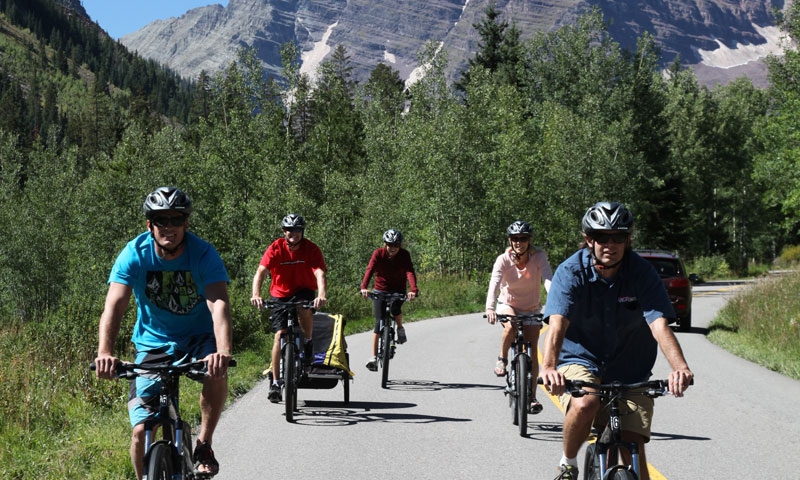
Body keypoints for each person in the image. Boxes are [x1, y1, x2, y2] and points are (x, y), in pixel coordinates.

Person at [539, 202, 694, 480]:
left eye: (618, 237)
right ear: (590, 239)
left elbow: (659, 324)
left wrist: (680, 367)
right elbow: (557, 323)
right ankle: (568, 464)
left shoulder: (642, 273)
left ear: (628, 239)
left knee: (635, 449)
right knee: (586, 403)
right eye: (602, 237)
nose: (610, 244)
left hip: (630, 367)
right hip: (580, 358)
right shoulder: (570, 272)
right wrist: (549, 366)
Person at [94, 186, 233, 480]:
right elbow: (114, 306)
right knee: (140, 432)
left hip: (198, 338)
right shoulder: (134, 253)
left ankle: (204, 444)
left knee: (217, 371)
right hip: (151, 342)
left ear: (186, 223)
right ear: (150, 225)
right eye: (161, 220)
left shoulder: (204, 253)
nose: (169, 226)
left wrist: (222, 350)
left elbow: (218, 302)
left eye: (176, 219)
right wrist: (104, 353)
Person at [250, 213, 328, 403]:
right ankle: (276, 382)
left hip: (303, 290)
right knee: (279, 335)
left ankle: (308, 342)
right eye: (290, 230)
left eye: (298, 230)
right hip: (279, 293)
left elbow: (319, 273)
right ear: (284, 231)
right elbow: (261, 271)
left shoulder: (310, 249)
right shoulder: (276, 248)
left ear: (302, 231)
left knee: (304, 309)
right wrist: (256, 294)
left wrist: (321, 294)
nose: (294, 233)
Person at [485, 220, 552, 413]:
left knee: (533, 352)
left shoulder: (538, 257)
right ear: (510, 240)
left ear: (529, 240)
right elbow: (495, 284)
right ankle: (503, 357)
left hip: (531, 307)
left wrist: (556, 306)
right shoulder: (503, 259)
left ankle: (531, 397)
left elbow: (548, 280)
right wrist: (490, 308)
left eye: (523, 238)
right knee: (511, 326)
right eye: (515, 239)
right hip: (508, 304)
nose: (519, 242)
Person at [360, 229, 419, 371]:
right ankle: (373, 358)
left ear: (400, 245)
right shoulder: (378, 254)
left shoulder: (404, 255)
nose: (392, 248)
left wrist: (413, 290)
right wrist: (364, 287)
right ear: (385, 244)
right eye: (389, 245)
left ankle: (399, 328)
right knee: (378, 322)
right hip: (380, 290)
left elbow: (409, 272)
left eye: (396, 245)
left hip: (398, 290)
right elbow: (370, 270)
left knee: (395, 309)